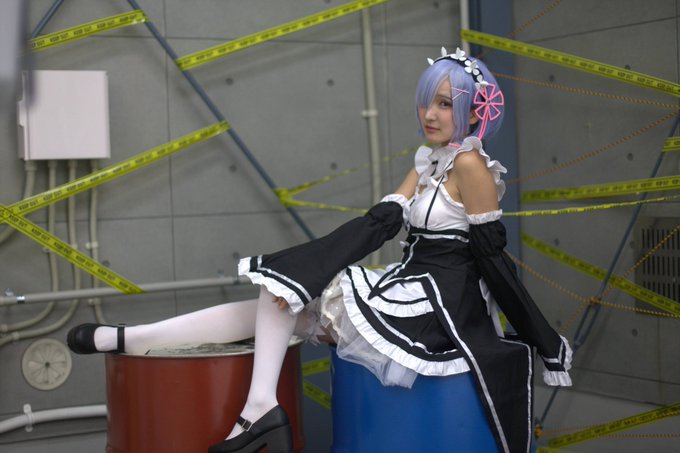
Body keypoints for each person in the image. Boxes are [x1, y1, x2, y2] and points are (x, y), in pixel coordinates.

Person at [67, 47, 572, 453]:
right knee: (279, 296)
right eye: (427, 102)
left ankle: (250, 406)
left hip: (440, 305)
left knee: (283, 299)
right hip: (407, 282)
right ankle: (141, 343)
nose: (429, 114)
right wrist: (304, 268)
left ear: (473, 110)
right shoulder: (431, 159)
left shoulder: (472, 166)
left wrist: (542, 339)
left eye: (444, 103)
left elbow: (491, 258)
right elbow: (379, 224)